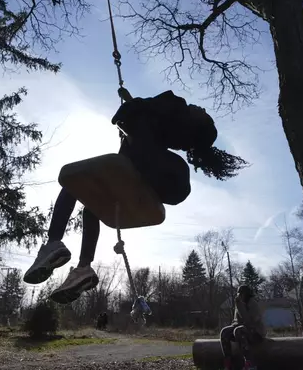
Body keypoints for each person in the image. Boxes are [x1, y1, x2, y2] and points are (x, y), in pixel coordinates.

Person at [22, 90, 247, 304]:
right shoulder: (166, 144)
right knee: (90, 208)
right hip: (140, 187)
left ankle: (53, 243)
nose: (203, 107)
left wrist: (133, 109)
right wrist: (132, 105)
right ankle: (84, 268)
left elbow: (147, 119)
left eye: (205, 113)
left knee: (73, 180)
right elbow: (146, 124)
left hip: (137, 175)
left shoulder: (174, 109)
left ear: (196, 124)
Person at [220, 285, 266, 370]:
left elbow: (249, 321)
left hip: (256, 333)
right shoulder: (239, 304)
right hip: (242, 331)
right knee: (225, 331)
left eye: (241, 294)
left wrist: (240, 307)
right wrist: (232, 328)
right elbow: (235, 321)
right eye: (239, 294)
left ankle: (250, 363)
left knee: (239, 330)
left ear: (246, 295)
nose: (239, 296)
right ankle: (228, 361)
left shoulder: (253, 304)